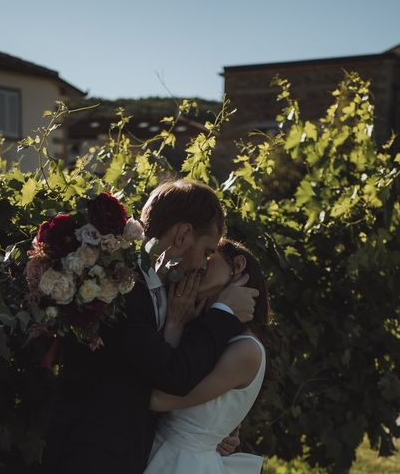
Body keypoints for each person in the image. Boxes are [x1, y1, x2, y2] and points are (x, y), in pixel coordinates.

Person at [44, 180, 259, 474]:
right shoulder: (124, 290)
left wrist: (216, 427)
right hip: (91, 457)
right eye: (208, 251)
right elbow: (173, 376)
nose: (203, 265)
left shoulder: (158, 291)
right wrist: (225, 312)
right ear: (183, 235)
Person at [145, 239, 273, 474]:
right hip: (154, 450)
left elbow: (161, 399)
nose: (198, 264)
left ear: (237, 264)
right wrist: (176, 322)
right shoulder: (203, 329)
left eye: (209, 256)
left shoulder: (246, 350)